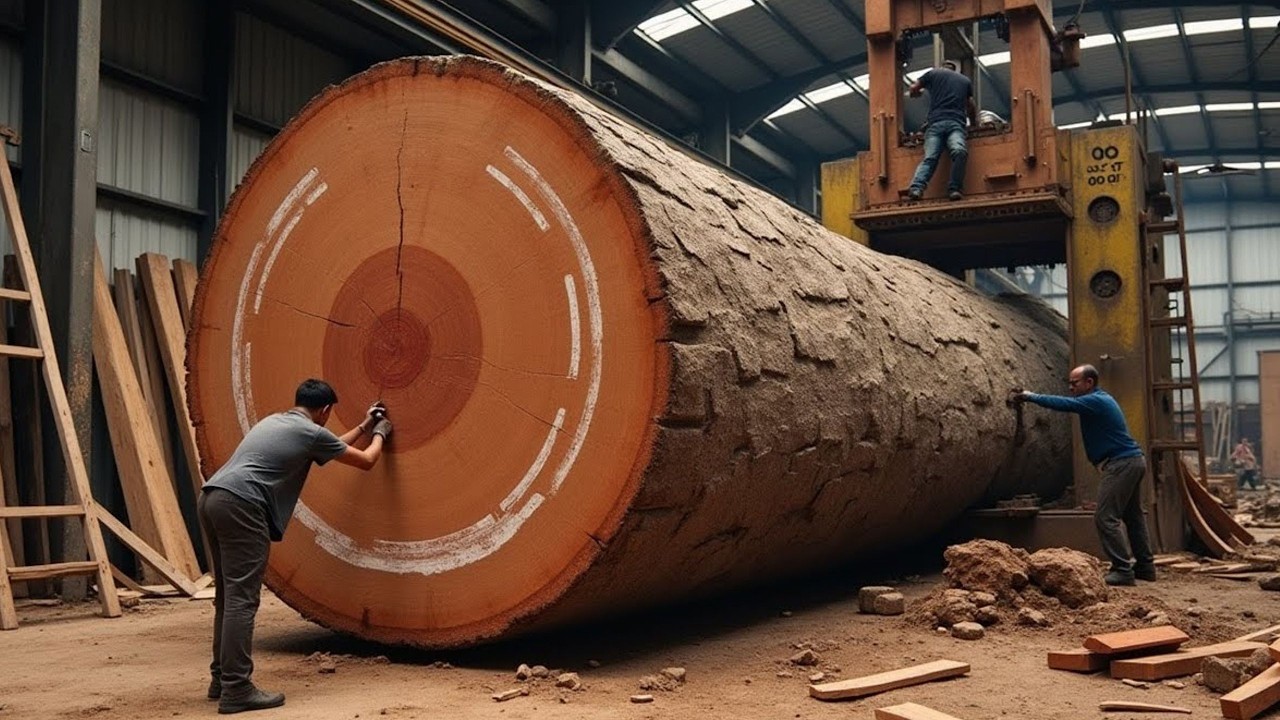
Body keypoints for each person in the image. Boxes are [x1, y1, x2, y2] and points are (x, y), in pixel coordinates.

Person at [198, 379, 392, 714]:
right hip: (244, 505)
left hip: (213, 497)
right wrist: (381, 434)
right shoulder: (311, 433)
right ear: (326, 411)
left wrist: (364, 424)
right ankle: (237, 689)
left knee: (228, 599)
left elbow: (328, 447)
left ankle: (222, 679)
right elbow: (364, 460)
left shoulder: (276, 421)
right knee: (243, 601)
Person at [1010, 365, 1153, 587]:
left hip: (1121, 464)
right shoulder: (1100, 399)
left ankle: (1123, 570)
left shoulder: (1096, 400)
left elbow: (1065, 405)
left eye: (1075, 383)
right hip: (1132, 461)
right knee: (1133, 517)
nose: (1071, 387)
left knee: (1105, 517)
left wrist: (1030, 396)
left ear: (1089, 382)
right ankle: (1145, 567)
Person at [905, 59, 977, 202]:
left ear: (942, 67)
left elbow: (914, 88)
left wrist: (915, 94)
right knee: (959, 152)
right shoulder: (964, 80)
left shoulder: (933, 73)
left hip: (935, 125)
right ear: (955, 70)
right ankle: (954, 189)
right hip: (956, 123)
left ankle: (916, 188)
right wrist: (974, 124)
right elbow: (970, 106)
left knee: (930, 158)